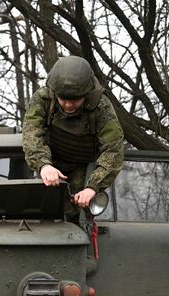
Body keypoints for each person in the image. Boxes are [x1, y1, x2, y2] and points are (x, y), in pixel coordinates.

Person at [22, 55, 124, 221]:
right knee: (40, 214)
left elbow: (113, 150)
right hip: (49, 162)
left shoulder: (101, 107)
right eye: (63, 99)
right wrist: (43, 165)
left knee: (78, 217)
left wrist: (93, 186)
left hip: (83, 167)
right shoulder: (43, 99)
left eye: (75, 100)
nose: (69, 105)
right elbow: (32, 133)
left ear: (86, 93)